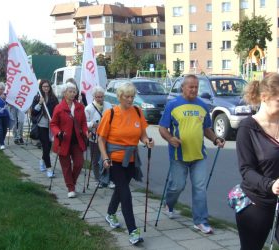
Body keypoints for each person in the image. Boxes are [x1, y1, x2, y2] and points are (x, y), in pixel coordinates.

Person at [158, 74, 225, 234]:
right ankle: (169, 203)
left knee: (200, 188)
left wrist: (216, 139)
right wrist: (170, 139)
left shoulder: (202, 105)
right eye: (191, 87)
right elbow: (162, 128)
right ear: (183, 87)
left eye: (196, 87)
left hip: (198, 155)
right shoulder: (173, 105)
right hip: (178, 155)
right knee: (177, 186)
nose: (194, 89)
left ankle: (200, 221)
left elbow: (206, 128)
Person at [97, 82, 154, 245]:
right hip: (114, 159)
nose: (130, 100)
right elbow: (101, 139)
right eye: (127, 97)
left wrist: (147, 141)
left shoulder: (137, 111)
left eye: (132, 97)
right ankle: (133, 231)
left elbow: (142, 135)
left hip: (131, 159)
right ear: (120, 97)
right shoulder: (111, 113)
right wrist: (105, 157)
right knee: (126, 193)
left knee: (121, 190)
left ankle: (110, 214)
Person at [235, 74, 279, 250]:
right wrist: (271, 185)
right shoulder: (247, 129)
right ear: (264, 97)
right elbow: (246, 171)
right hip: (256, 202)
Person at [50, 82, 88, 198]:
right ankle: (70, 188)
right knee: (66, 167)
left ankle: (72, 182)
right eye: (70, 92)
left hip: (77, 141)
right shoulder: (59, 108)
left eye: (74, 91)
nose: (72, 94)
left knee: (79, 163)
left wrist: (86, 131)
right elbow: (53, 124)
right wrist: (58, 133)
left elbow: (83, 123)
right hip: (64, 141)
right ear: (64, 93)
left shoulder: (80, 107)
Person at [84, 86, 114, 188]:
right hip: (94, 136)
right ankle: (98, 179)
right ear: (94, 97)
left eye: (101, 97)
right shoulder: (88, 108)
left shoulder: (109, 106)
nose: (100, 99)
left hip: (107, 137)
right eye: (98, 97)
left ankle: (109, 179)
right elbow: (84, 123)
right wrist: (92, 124)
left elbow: (113, 119)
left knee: (107, 158)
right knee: (96, 160)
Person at [31, 79, 59, 177]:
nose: (46, 88)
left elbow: (57, 110)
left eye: (47, 86)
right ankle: (49, 169)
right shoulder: (37, 97)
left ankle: (42, 160)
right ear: (41, 88)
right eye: (44, 87)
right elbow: (34, 112)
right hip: (41, 125)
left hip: (51, 126)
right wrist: (39, 103)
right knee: (45, 146)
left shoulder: (53, 98)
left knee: (48, 147)